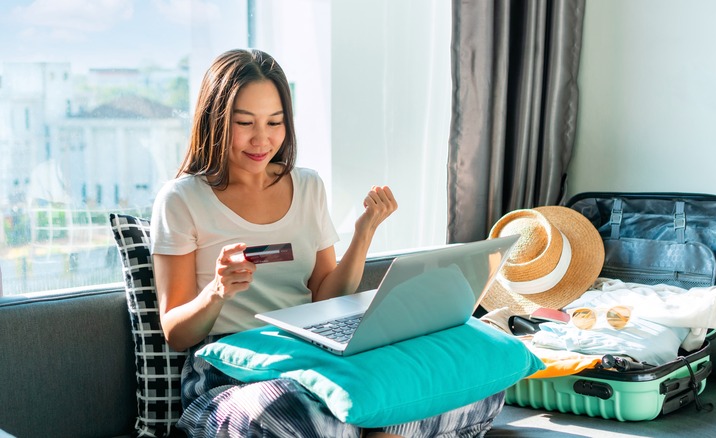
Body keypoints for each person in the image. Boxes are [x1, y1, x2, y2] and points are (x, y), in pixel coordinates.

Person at [151, 48, 504, 437]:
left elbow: (326, 297)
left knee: (464, 379)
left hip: (309, 356)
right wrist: (216, 292)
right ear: (216, 120)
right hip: (229, 370)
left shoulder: (306, 186)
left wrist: (364, 232)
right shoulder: (182, 199)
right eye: (244, 122)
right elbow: (176, 332)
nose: (261, 138)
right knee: (292, 412)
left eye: (275, 122)